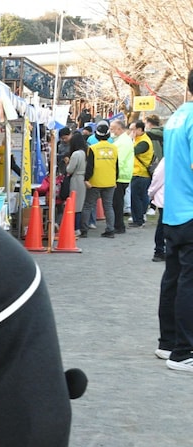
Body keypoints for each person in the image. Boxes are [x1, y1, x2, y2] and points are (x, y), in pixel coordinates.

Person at [157, 69, 193, 372]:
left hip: (173, 210)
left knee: (174, 278)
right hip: (191, 210)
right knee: (188, 281)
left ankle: (168, 342)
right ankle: (184, 351)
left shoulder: (177, 116)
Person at [81, 121, 118, 238]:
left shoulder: (92, 148)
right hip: (110, 181)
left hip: (95, 181)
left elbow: (90, 166)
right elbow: (117, 166)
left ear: (96, 135)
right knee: (108, 206)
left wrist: (86, 179)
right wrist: (115, 179)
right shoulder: (114, 148)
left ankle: (84, 230)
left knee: (88, 205)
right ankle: (110, 230)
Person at [109, 119, 134, 234]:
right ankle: (118, 225)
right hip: (121, 175)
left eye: (112, 129)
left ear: (119, 129)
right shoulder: (121, 140)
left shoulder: (123, 142)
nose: (111, 131)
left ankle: (118, 226)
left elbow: (119, 161)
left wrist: (113, 176)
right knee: (117, 202)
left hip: (120, 176)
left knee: (117, 203)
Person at [129, 120, 154, 228]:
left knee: (137, 198)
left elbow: (132, 151)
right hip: (138, 173)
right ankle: (138, 218)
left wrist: (130, 139)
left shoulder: (144, 142)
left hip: (141, 173)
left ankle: (139, 220)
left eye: (133, 129)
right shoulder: (139, 139)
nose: (131, 132)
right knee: (139, 197)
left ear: (139, 129)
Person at [64, 132, 87, 235]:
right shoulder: (86, 152)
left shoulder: (75, 154)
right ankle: (82, 226)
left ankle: (76, 227)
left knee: (75, 204)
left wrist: (67, 163)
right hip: (84, 178)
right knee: (81, 204)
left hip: (76, 179)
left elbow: (70, 169)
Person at [148, 157, 166, 262]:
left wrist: (151, 193)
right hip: (170, 197)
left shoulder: (168, 159)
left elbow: (157, 177)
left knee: (163, 224)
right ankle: (160, 250)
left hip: (168, 197)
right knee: (163, 224)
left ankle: (160, 250)